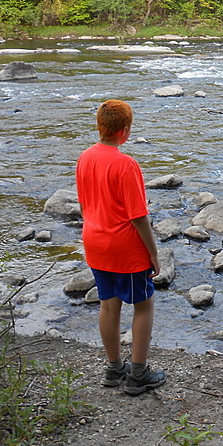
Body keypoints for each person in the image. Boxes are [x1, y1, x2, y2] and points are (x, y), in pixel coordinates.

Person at [75, 99, 166, 396]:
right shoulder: (126, 164)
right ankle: (138, 374)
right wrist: (153, 252)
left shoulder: (85, 157)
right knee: (143, 305)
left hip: (95, 242)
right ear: (125, 131)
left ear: (100, 126)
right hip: (124, 248)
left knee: (108, 304)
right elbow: (138, 215)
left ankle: (114, 368)